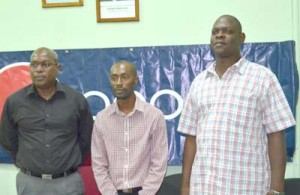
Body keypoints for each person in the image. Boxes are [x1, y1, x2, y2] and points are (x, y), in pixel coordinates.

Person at [177, 15, 296, 195]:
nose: (219, 35)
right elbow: (191, 139)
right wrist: (185, 187)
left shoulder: (263, 78)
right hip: (203, 188)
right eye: (215, 32)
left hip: (248, 187)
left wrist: (276, 189)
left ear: (242, 37)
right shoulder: (199, 83)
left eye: (227, 31)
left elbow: (276, 135)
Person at [0, 47, 94, 195]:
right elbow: (8, 140)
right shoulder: (15, 102)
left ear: (57, 68)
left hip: (67, 183)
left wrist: (67, 164)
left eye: (45, 64)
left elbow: (86, 140)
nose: (38, 70)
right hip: (30, 183)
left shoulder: (76, 101)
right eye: (34, 64)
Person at [91, 60, 168, 195]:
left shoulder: (154, 116)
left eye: (125, 77)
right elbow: (99, 164)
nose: (119, 83)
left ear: (135, 80)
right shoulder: (102, 119)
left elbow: (159, 163)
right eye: (114, 78)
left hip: (146, 191)